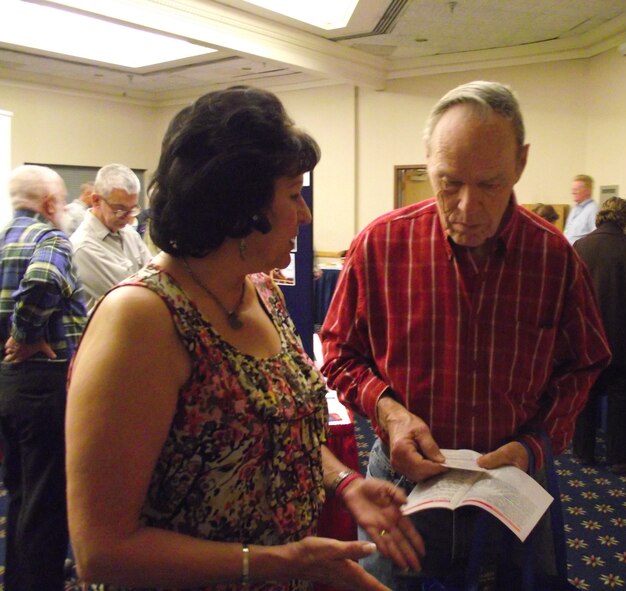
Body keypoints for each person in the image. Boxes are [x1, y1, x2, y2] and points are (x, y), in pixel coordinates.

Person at [65, 86, 423, 591]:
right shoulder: (143, 320)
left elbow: (277, 435)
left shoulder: (259, 291)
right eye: (294, 195)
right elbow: (101, 551)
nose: (306, 214)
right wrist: (279, 562)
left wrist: (344, 483)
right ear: (239, 206)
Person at [321, 80, 611, 589]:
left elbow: (584, 363)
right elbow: (339, 351)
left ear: (521, 163)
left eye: (491, 184)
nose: (468, 207)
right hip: (401, 482)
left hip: (513, 480)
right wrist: (390, 413)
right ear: (427, 161)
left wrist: (534, 447)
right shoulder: (381, 244)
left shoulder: (555, 257)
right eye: (449, 182)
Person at [0, 165, 88, 590]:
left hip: (8, 385)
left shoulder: (2, 240)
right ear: (50, 203)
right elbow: (44, 280)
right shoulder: (50, 238)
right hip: (44, 383)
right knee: (47, 499)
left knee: (20, 492)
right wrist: (26, 334)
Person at [571, 197, 626, 473]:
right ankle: (617, 456)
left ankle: (583, 451)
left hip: (586, 335)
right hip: (619, 337)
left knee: (586, 395)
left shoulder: (580, 246)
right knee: (619, 396)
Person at [70, 164, 152, 310]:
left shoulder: (129, 233)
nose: (128, 217)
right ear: (96, 200)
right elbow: (130, 300)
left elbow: (155, 277)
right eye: (119, 209)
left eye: (132, 209)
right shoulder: (83, 247)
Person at [563, 174, 597, 244]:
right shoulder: (575, 208)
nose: (573, 192)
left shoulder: (593, 210)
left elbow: (595, 237)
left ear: (588, 191)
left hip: (580, 253)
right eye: (572, 189)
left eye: (576, 190)